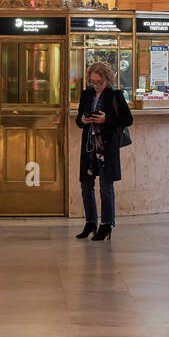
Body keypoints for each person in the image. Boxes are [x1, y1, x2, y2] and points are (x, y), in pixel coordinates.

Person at [74, 61, 132, 241]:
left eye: (99, 82)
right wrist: (83, 120)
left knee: (106, 187)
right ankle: (90, 222)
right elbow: (78, 120)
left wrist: (106, 119)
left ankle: (106, 225)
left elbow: (127, 119)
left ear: (107, 80)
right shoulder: (86, 95)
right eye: (93, 81)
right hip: (89, 147)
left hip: (106, 148)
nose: (95, 85)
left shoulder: (115, 95)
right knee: (86, 185)